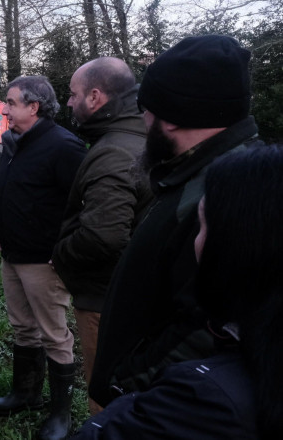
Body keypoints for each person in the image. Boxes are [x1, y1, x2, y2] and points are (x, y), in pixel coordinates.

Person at [89, 35, 261, 409]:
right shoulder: (200, 172)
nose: (142, 119)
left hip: (158, 406)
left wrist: (127, 383)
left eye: (145, 109)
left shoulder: (226, 195)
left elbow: (211, 325)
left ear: (171, 117)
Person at [72, 145, 283, 439]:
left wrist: (130, 401)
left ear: (237, 246)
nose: (195, 243)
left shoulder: (202, 399)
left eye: (202, 225)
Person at [51, 58, 152, 415]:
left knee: (104, 392)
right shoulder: (140, 135)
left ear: (95, 97)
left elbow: (103, 236)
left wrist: (60, 253)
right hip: (136, 292)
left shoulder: (112, 151)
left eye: (72, 94)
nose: (68, 103)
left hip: (103, 297)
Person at [0, 75, 87, 440]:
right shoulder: (15, 142)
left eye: (11, 103)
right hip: (12, 254)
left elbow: (85, 205)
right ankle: (25, 394)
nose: (4, 108)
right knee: (22, 327)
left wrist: (62, 249)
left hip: (43, 261)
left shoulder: (64, 147)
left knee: (54, 335)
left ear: (33, 107)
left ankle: (61, 415)